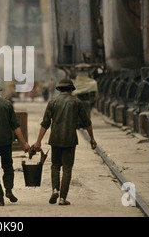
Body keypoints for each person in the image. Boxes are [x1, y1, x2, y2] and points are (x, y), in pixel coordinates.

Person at [34, 78, 97, 206]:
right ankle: (62, 198)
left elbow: (45, 123)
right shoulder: (76, 102)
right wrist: (92, 138)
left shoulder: (52, 101)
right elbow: (87, 122)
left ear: (58, 89)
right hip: (70, 140)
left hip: (55, 139)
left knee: (55, 166)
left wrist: (38, 141)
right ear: (71, 89)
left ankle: (55, 189)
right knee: (67, 169)